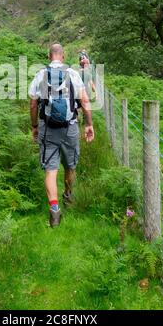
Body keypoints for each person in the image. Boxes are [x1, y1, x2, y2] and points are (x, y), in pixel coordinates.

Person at [29, 43, 94, 228]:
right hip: (70, 128)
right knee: (70, 166)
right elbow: (85, 100)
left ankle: (54, 209)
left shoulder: (40, 75)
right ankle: (68, 194)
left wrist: (35, 126)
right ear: (63, 56)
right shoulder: (72, 73)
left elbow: (33, 105)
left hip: (48, 129)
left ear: (49, 56)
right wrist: (89, 124)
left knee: (51, 170)